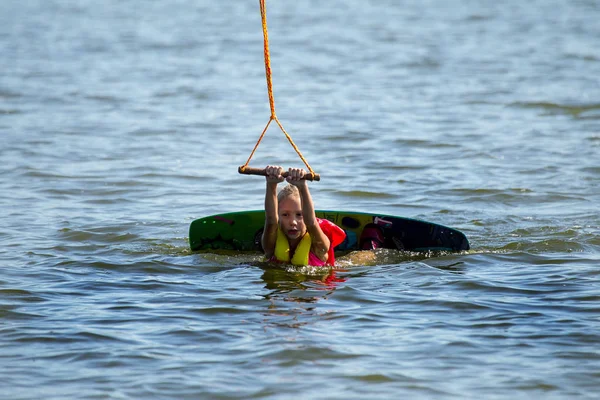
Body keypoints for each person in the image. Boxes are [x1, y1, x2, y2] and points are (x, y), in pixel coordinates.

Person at [262, 165, 346, 266]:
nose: (293, 222)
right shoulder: (270, 244)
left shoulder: (319, 246)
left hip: (312, 281)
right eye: (285, 215)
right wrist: (271, 184)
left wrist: (302, 186)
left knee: (360, 257)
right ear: (278, 216)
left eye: (299, 214)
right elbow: (271, 220)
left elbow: (310, 222)